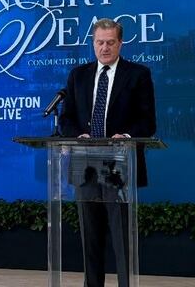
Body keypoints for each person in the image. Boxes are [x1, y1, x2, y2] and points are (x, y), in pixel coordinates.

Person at [59, 18, 156, 287]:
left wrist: (125, 137)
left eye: (110, 42)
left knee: (121, 237)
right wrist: (77, 136)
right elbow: (65, 119)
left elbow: (148, 122)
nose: (104, 48)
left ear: (120, 43)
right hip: (84, 165)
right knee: (90, 238)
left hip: (119, 164)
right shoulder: (78, 75)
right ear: (93, 43)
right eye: (99, 42)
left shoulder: (138, 74)